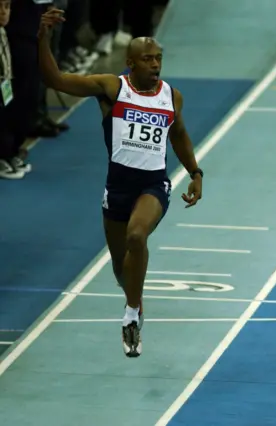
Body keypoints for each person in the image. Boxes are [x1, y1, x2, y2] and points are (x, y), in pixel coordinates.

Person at [38, 8, 204, 357]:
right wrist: (42, 38)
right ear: (130, 62)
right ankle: (134, 299)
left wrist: (195, 173)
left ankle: (131, 315)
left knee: (136, 235)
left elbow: (180, 136)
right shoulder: (111, 88)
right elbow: (54, 79)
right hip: (117, 189)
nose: (155, 64)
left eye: (158, 58)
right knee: (120, 269)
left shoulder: (172, 97)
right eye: (147, 59)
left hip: (153, 186)